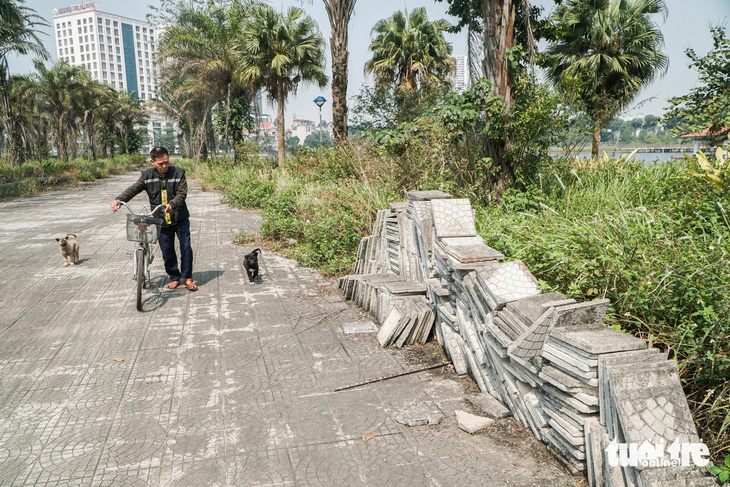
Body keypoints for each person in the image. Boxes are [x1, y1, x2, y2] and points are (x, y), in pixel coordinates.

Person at [110, 147, 198, 291]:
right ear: (152, 162)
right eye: (160, 164)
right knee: (167, 250)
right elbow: (134, 189)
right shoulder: (147, 176)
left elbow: (182, 194)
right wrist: (119, 200)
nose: (164, 166)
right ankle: (174, 277)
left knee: (186, 247)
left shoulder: (179, 173)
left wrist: (172, 204)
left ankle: (187, 278)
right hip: (160, 219)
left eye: (166, 162)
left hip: (179, 218)